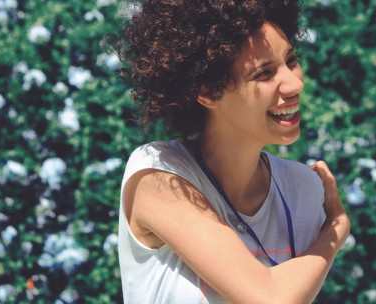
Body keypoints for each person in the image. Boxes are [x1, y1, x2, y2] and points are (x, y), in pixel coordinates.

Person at [115, 0, 350, 303]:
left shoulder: (303, 189)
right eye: (264, 74)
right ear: (209, 92)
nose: (294, 84)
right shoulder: (158, 177)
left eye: (290, 61)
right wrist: (335, 231)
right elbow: (271, 299)